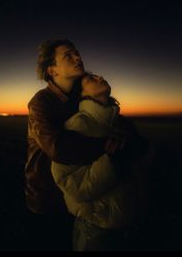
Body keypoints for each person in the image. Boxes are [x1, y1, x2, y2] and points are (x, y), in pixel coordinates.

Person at [25, 39, 121, 250]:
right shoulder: (41, 102)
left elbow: (107, 119)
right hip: (47, 197)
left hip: (79, 197)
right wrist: (108, 147)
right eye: (68, 55)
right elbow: (56, 148)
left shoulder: (82, 95)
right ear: (52, 70)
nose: (78, 57)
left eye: (77, 53)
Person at [51, 73, 151, 251]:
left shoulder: (120, 123)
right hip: (97, 233)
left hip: (129, 228)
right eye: (90, 80)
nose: (100, 77)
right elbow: (70, 183)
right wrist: (113, 161)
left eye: (97, 76)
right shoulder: (78, 125)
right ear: (83, 95)